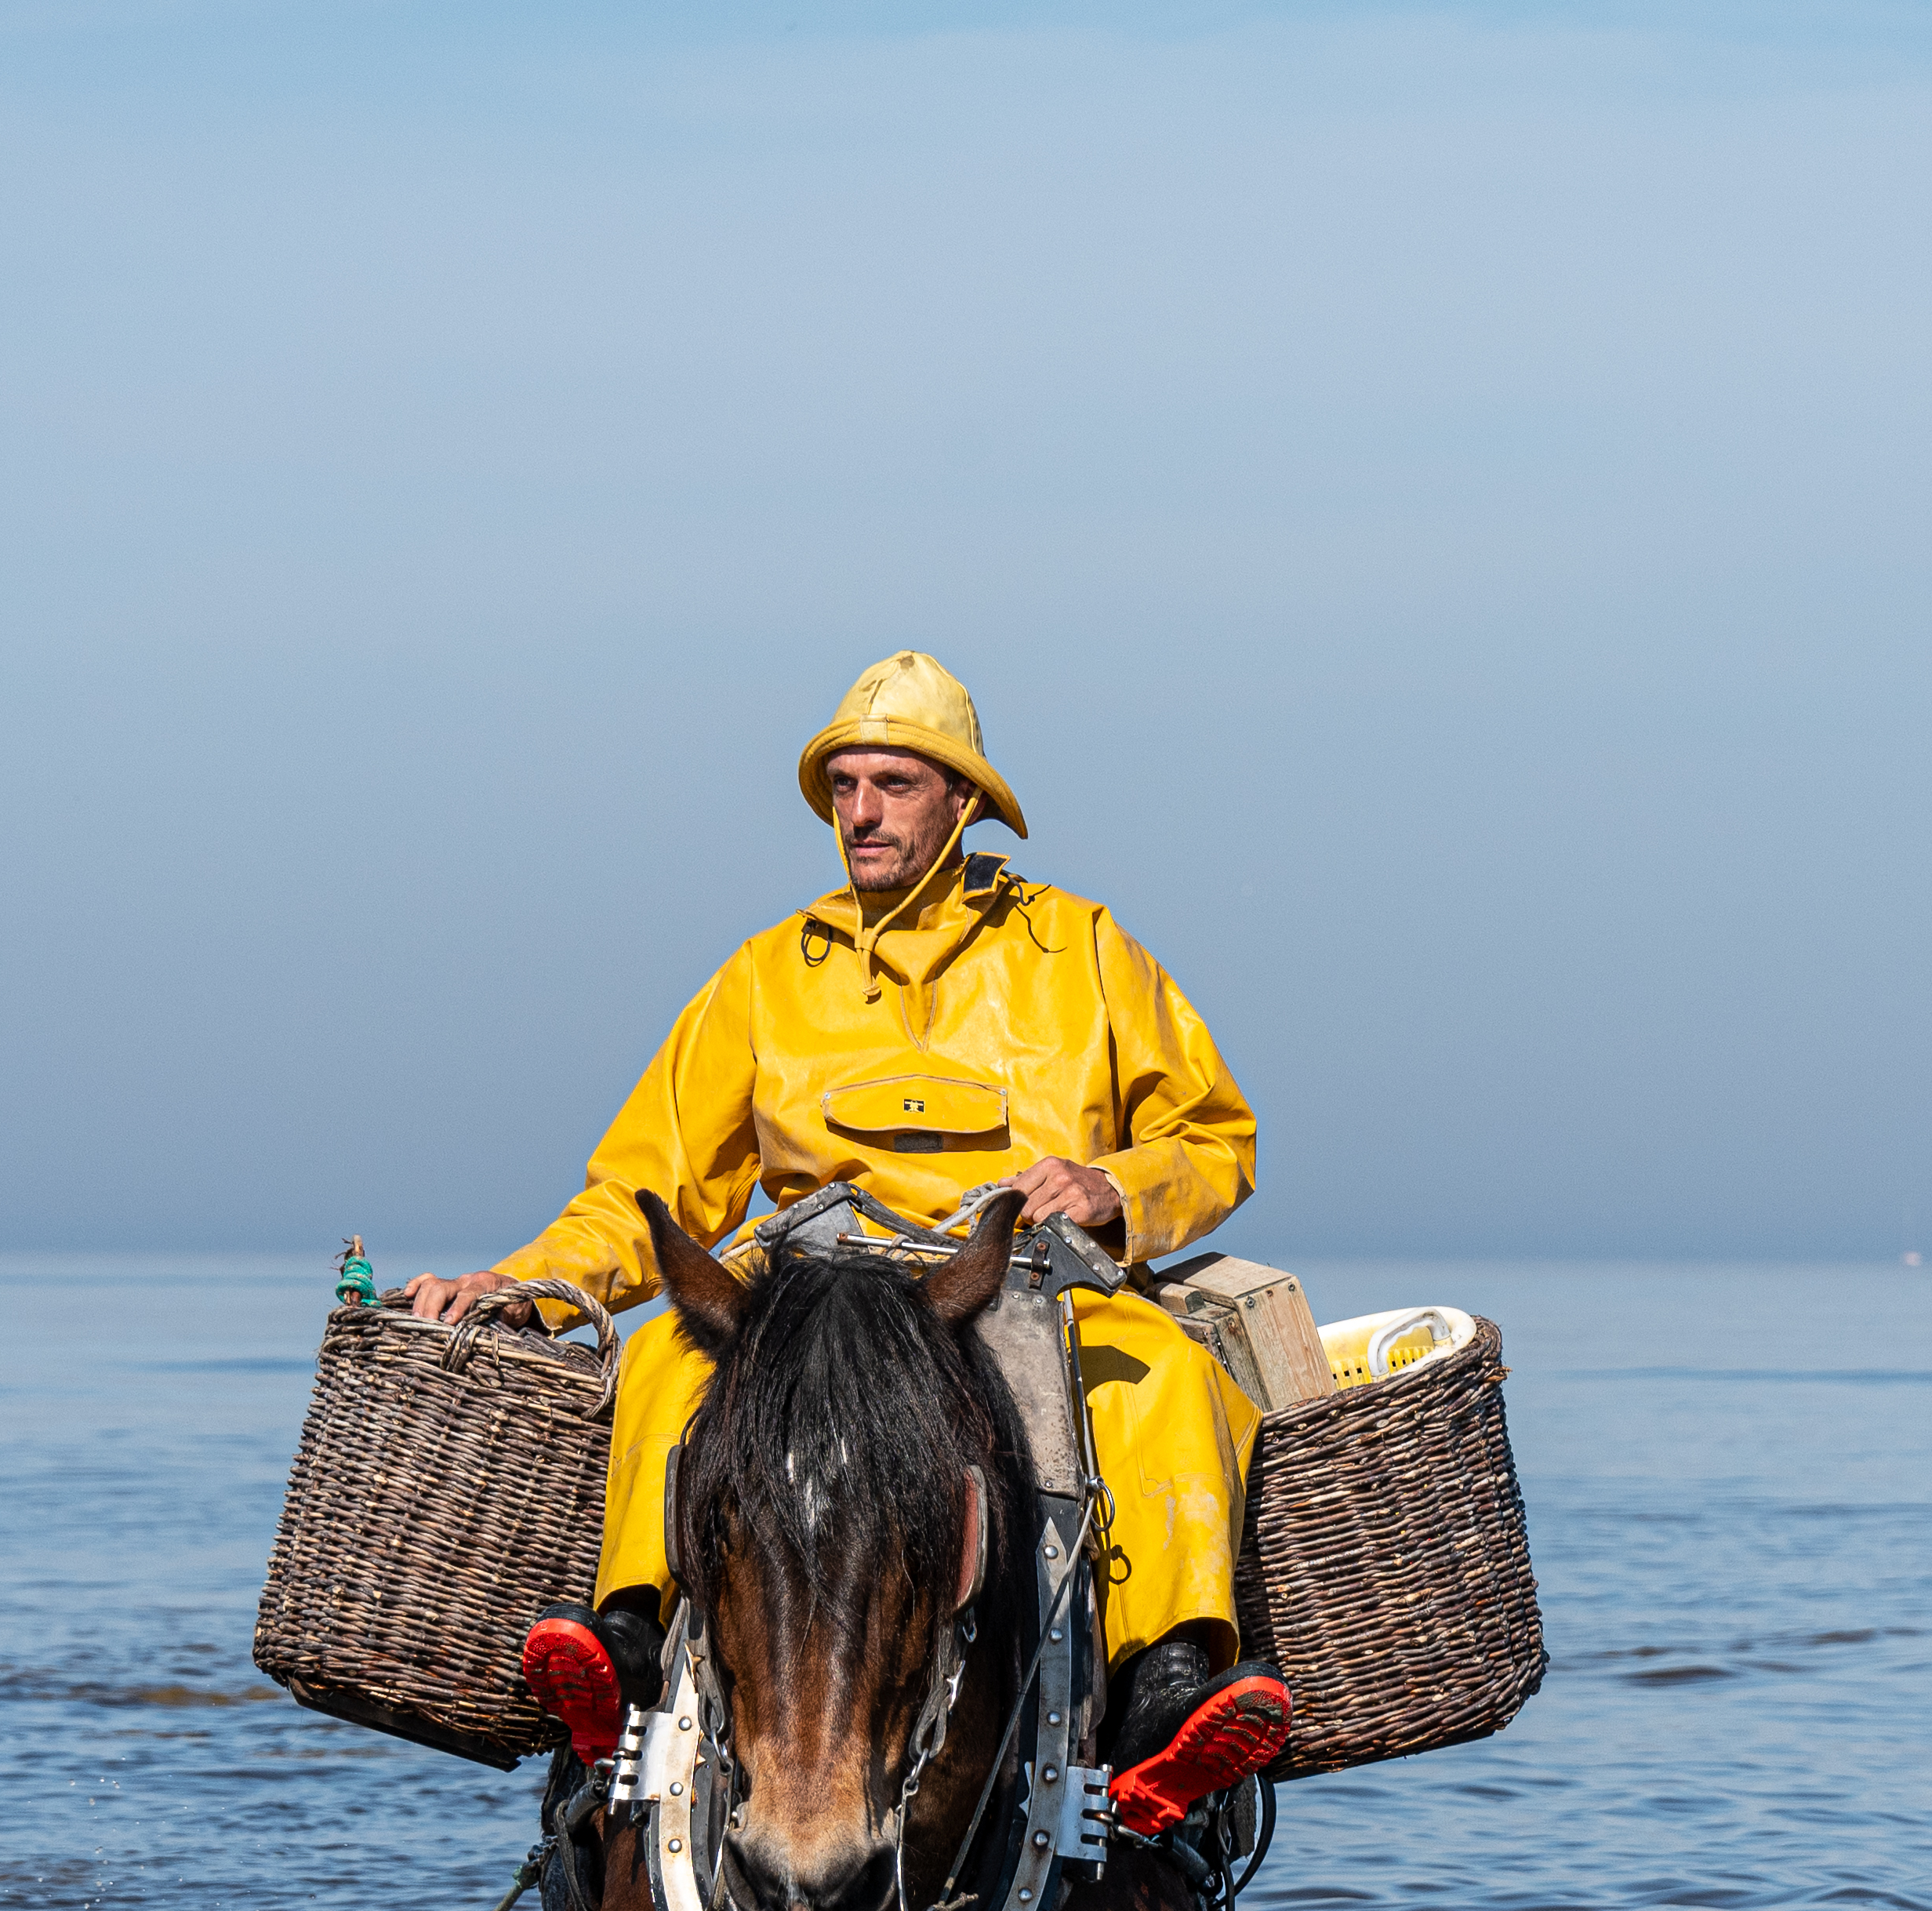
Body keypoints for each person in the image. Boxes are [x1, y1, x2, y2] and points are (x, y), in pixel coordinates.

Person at [398, 651, 1291, 1840]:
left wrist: (1112, 1185)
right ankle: (627, 1645)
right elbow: (650, 1187)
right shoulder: (768, 974)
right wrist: (527, 1283)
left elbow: (1215, 1138)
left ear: (962, 801)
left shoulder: (1081, 949)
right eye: (843, 786)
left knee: (1165, 1371)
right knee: (665, 1359)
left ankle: (1165, 1690)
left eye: (894, 784)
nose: (860, 813)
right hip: (808, 1295)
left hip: (1009, 1289)